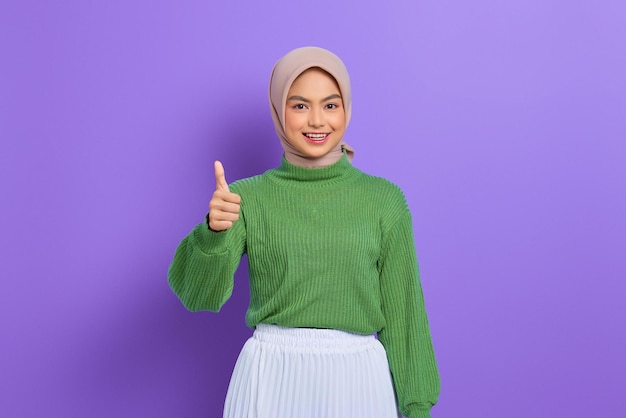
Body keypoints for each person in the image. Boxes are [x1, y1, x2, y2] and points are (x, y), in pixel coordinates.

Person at [168, 46, 440, 418]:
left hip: (359, 382)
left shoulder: (384, 200)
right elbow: (198, 296)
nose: (317, 120)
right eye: (299, 106)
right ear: (279, 111)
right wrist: (213, 232)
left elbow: (406, 316)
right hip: (271, 379)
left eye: (330, 105)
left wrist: (418, 407)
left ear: (346, 108)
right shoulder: (246, 198)